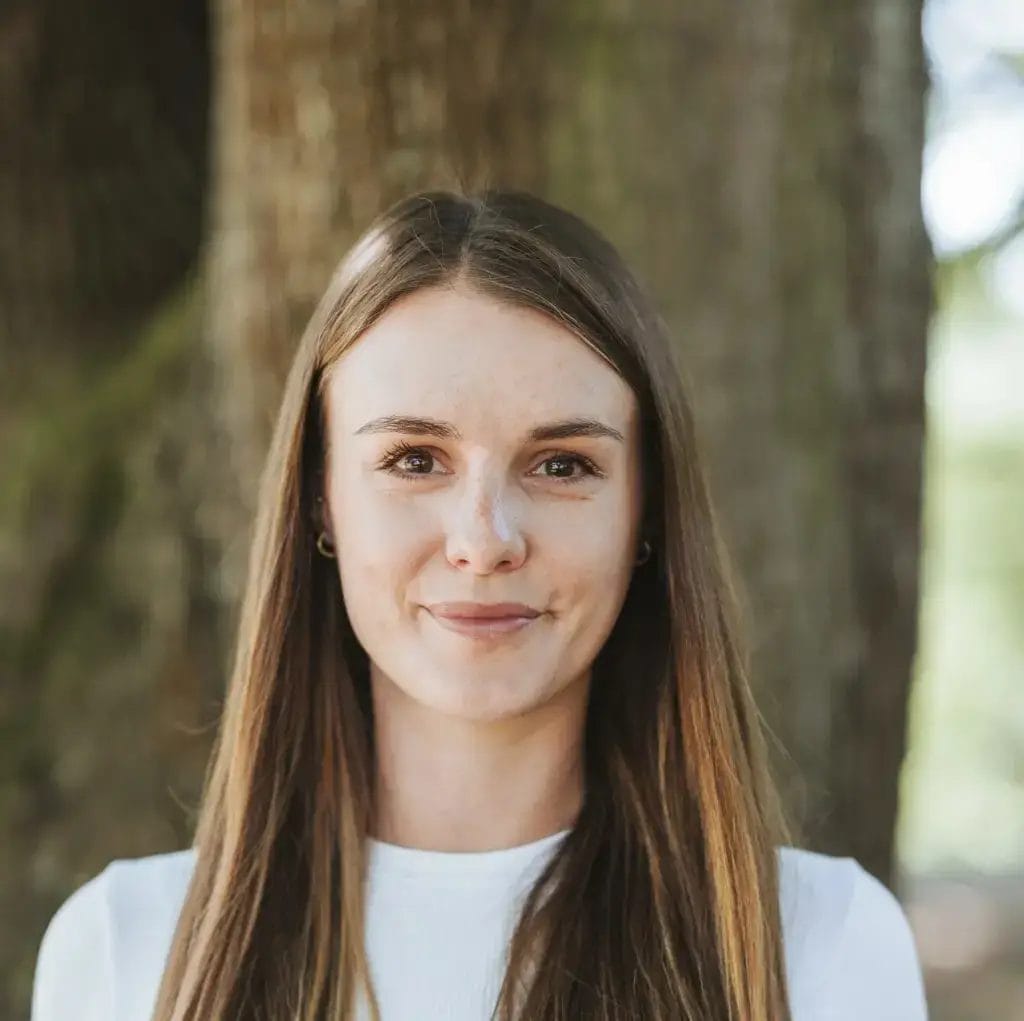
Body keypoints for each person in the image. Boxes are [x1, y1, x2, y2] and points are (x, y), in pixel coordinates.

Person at [30, 188, 929, 1021]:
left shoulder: (824, 946)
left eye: (563, 464)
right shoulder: (124, 950)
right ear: (319, 499)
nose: (486, 537)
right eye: (415, 460)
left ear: (645, 512)